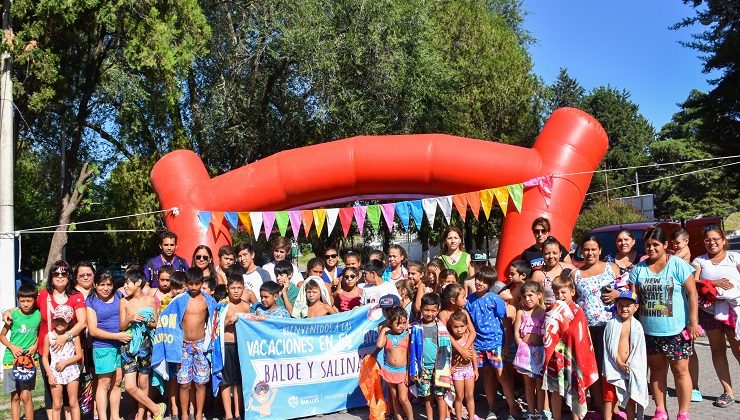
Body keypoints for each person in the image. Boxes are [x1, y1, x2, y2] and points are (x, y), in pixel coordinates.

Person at [629, 227, 700, 420]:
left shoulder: (678, 265)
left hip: (677, 330)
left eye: (655, 245)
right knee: (657, 371)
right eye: (648, 245)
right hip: (650, 331)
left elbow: (693, 294)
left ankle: (683, 413)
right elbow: (633, 298)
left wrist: (693, 322)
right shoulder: (638, 270)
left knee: (680, 371)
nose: (651, 249)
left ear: (665, 245)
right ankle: (661, 410)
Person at [2, 260, 88, 420]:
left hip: (69, 351)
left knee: (70, 392)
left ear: (69, 275)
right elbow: (25, 304)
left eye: (64, 273)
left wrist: (65, 337)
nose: (60, 276)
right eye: (56, 273)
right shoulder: (43, 295)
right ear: (51, 276)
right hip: (45, 349)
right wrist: (6, 310)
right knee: (51, 389)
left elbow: (82, 322)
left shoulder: (76, 296)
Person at [570, 235, 621, 414]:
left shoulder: (611, 268)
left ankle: (614, 407)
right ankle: (599, 406)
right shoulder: (575, 274)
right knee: (593, 369)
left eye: (593, 249)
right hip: (587, 329)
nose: (590, 253)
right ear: (581, 251)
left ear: (600, 250)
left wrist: (617, 294)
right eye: (586, 249)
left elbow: (625, 291)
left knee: (612, 367)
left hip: (611, 325)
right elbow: (572, 301)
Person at [690, 226, 740, 408]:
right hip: (710, 311)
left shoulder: (734, 257)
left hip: (734, 311)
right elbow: (693, 281)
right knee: (717, 350)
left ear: (723, 239)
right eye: (707, 240)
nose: (711, 243)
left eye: (715, 239)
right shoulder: (700, 260)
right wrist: (714, 283)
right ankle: (728, 392)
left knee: (738, 349)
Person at [542, 275, 598, 420]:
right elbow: (547, 333)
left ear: (572, 292)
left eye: (563, 292)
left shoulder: (577, 311)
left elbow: (580, 336)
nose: (560, 296)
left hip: (574, 357)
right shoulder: (550, 311)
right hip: (556, 357)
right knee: (555, 391)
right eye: (557, 293)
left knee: (575, 390)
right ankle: (556, 417)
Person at [466, 266, 519, 420]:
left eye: (484, 281)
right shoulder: (469, 300)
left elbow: (506, 323)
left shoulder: (495, 299)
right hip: (478, 344)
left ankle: (512, 407)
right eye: (478, 279)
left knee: (502, 375)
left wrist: (507, 345)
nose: (479, 283)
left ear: (490, 284)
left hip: (496, 343)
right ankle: (492, 407)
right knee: (487, 375)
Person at [119, 269, 164, 420]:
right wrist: (130, 318)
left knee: (144, 382)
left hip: (145, 344)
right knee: (130, 386)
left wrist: (148, 321)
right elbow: (121, 327)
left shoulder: (150, 300)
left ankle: (142, 415)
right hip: (129, 344)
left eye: (128, 283)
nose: (125, 286)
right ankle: (156, 408)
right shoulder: (124, 301)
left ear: (138, 282)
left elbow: (156, 324)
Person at [86, 270, 130, 420]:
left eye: (109, 284)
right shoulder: (91, 301)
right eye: (102, 285)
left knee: (117, 382)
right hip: (102, 347)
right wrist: (117, 336)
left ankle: (115, 416)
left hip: (120, 346)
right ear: (95, 285)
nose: (106, 288)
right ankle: (103, 417)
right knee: (104, 384)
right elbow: (93, 330)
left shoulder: (119, 295)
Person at [602, 290, 649, 420]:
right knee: (609, 398)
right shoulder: (612, 324)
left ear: (636, 307)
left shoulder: (638, 326)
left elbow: (639, 350)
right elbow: (609, 347)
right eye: (621, 305)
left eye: (628, 306)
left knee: (631, 399)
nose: (624, 308)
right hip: (613, 367)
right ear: (616, 306)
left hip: (630, 368)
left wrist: (630, 365)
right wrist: (618, 362)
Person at [0, 284, 40, 420]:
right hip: (11, 359)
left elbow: (42, 333)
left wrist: (35, 345)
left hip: (28, 361)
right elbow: (2, 336)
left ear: (35, 300)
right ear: (18, 300)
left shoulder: (38, 314)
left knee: (26, 395)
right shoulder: (13, 316)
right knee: (15, 396)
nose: (26, 304)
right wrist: (12, 347)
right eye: (22, 301)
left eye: (29, 300)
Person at [409, 292, 452, 420]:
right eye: (426, 310)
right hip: (423, 369)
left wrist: (447, 366)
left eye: (433, 310)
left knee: (440, 396)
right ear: (421, 308)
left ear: (438, 309)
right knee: (427, 397)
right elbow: (411, 351)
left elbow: (446, 349)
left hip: (438, 368)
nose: (429, 313)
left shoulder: (441, 328)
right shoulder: (415, 327)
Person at [219, 273, 252, 420]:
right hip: (225, 345)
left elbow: (251, 327)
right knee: (226, 381)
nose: (236, 291)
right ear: (228, 289)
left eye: (239, 288)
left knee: (238, 381)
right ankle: (228, 414)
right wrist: (227, 321)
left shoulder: (246, 306)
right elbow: (216, 328)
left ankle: (238, 412)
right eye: (233, 288)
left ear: (244, 288)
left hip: (240, 347)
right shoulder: (223, 306)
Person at [42, 305, 82, 420]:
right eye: (57, 320)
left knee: (73, 402)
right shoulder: (49, 336)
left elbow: (79, 355)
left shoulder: (74, 336)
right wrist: (49, 374)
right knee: (56, 404)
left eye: (63, 320)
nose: (60, 322)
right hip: (55, 373)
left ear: (69, 322)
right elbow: (44, 357)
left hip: (71, 372)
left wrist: (65, 363)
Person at [513, 281, 546, 420]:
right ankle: (531, 412)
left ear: (539, 295)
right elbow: (516, 332)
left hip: (539, 351)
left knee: (539, 383)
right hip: (525, 352)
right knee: (528, 383)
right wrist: (521, 344)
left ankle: (540, 412)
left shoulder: (543, 312)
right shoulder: (521, 312)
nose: (528, 299)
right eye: (525, 296)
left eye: (531, 295)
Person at [376, 306, 414, 420]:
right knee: (394, 397)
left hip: (403, 372)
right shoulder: (387, 335)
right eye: (398, 323)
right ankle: (399, 417)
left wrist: (408, 373)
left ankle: (411, 418)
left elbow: (409, 356)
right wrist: (383, 330)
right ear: (390, 323)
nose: (401, 326)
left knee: (403, 398)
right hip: (390, 370)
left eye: (403, 322)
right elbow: (379, 345)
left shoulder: (407, 336)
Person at [448, 309, 478, 420]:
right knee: (459, 396)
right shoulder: (452, 341)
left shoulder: (468, 337)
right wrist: (450, 367)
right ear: (451, 327)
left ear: (466, 326)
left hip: (468, 369)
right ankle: (459, 417)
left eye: (461, 326)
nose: (459, 330)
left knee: (470, 396)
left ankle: (471, 417)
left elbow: (473, 353)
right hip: (457, 371)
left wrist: (476, 369)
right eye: (455, 327)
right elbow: (448, 355)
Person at [531, 237, 575, 307]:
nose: (551, 256)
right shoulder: (538, 275)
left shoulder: (570, 268)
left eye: (554, 253)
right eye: (547, 253)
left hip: (570, 314)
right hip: (548, 315)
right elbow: (531, 298)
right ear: (542, 254)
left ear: (560, 253)